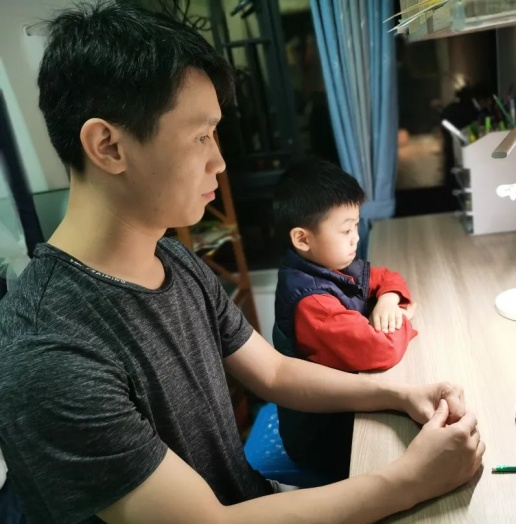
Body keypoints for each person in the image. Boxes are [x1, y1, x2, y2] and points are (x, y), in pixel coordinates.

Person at [0, 3, 485, 523]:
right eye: (200, 136)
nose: (220, 160)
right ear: (108, 146)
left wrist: (398, 393)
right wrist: (410, 480)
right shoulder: (47, 353)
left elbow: (273, 371)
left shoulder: (171, 258)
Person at [272, 159, 419, 480]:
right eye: (346, 230)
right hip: (324, 435)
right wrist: (404, 317)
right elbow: (381, 350)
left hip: (342, 407)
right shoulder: (313, 302)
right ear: (303, 239)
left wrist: (389, 300)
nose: (356, 238)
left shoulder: (328, 265)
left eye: (356, 226)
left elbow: (386, 276)